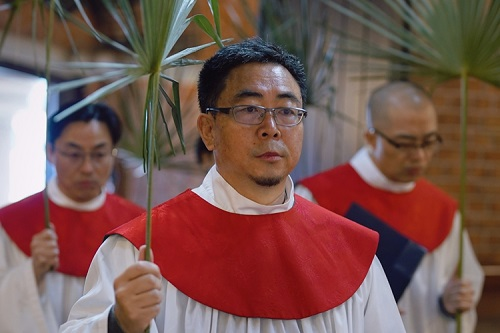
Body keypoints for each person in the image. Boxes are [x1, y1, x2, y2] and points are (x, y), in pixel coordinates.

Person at [60, 37, 405, 333]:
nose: (271, 127)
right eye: (250, 109)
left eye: (287, 111)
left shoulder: (349, 252)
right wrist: (119, 323)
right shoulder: (142, 246)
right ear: (209, 130)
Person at [296, 81, 484, 333]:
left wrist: (449, 304)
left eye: (429, 142)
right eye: (405, 144)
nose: (420, 155)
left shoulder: (443, 209)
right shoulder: (318, 198)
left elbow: (462, 285)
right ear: (371, 138)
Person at [0, 102, 145, 333]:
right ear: (50, 151)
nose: (87, 167)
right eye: (74, 154)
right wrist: (31, 271)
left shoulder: (135, 225)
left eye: (99, 154)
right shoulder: (11, 222)